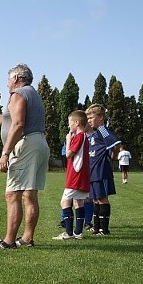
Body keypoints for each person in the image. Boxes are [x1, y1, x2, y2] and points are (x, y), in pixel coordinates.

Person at [0, 63, 50, 249]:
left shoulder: (18, 94)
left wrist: (5, 152)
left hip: (26, 145)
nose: (7, 84)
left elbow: (18, 124)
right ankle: (27, 239)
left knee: (12, 194)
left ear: (16, 79)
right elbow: (6, 120)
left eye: (8, 79)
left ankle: (8, 241)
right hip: (39, 143)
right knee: (30, 195)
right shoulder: (33, 95)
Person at [52, 110, 90, 241]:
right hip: (81, 175)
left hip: (75, 175)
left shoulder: (79, 136)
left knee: (65, 202)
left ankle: (68, 233)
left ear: (77, 123)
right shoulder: (84, 137)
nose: (69, 126)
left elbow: (69, 154)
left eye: (70, 123)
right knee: (79, 202)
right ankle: (78, 232)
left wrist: (68, 140)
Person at [86, 103, 121, 235]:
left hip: (101, 172)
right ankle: (97, 228)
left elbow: (116, 142)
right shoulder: (95, 133)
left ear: (100, 117)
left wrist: (114, 155)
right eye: (87, 118)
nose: (89, 121)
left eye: (91, 117)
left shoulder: (102, 130)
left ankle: (104, 229)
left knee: (102, 199)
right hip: (92, 172)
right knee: (95, 199)